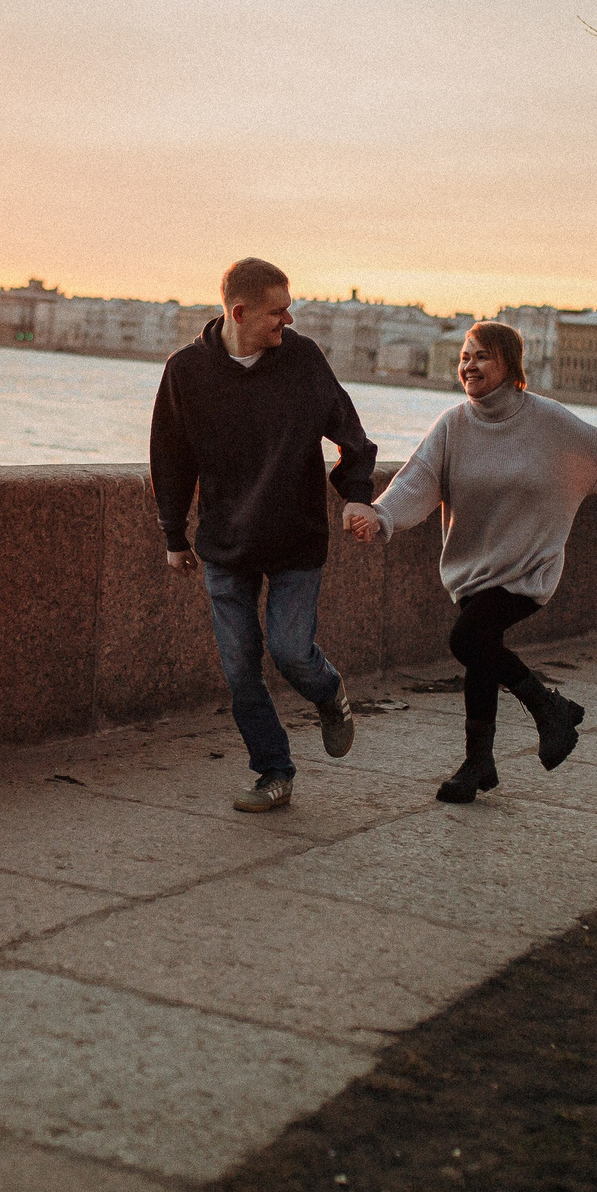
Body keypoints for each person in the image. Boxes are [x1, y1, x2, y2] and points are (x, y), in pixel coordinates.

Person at [346, 320, 597, 803]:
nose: (469, 365)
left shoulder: (549, 422)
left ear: (509, 365)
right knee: (481, 653)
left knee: (468, 638)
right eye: (464, 356)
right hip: (474, 569)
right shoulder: (454, 424)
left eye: (481, 356)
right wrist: (381, 516)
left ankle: (549, 710)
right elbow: (418, 480)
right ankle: (478, 762)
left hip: (527, 569)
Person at [152, 258, 378, 813]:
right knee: (239, 669)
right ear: (239, 311)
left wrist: (354, 491)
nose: (288, 318)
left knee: (292, 652)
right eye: (278, 311)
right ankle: (273, 770)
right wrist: (173, 534)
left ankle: (329, 693)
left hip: (296, 537)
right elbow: (170, 458)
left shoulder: (301, 360)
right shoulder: (186, 372)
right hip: (226, 542)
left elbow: (350, 433)